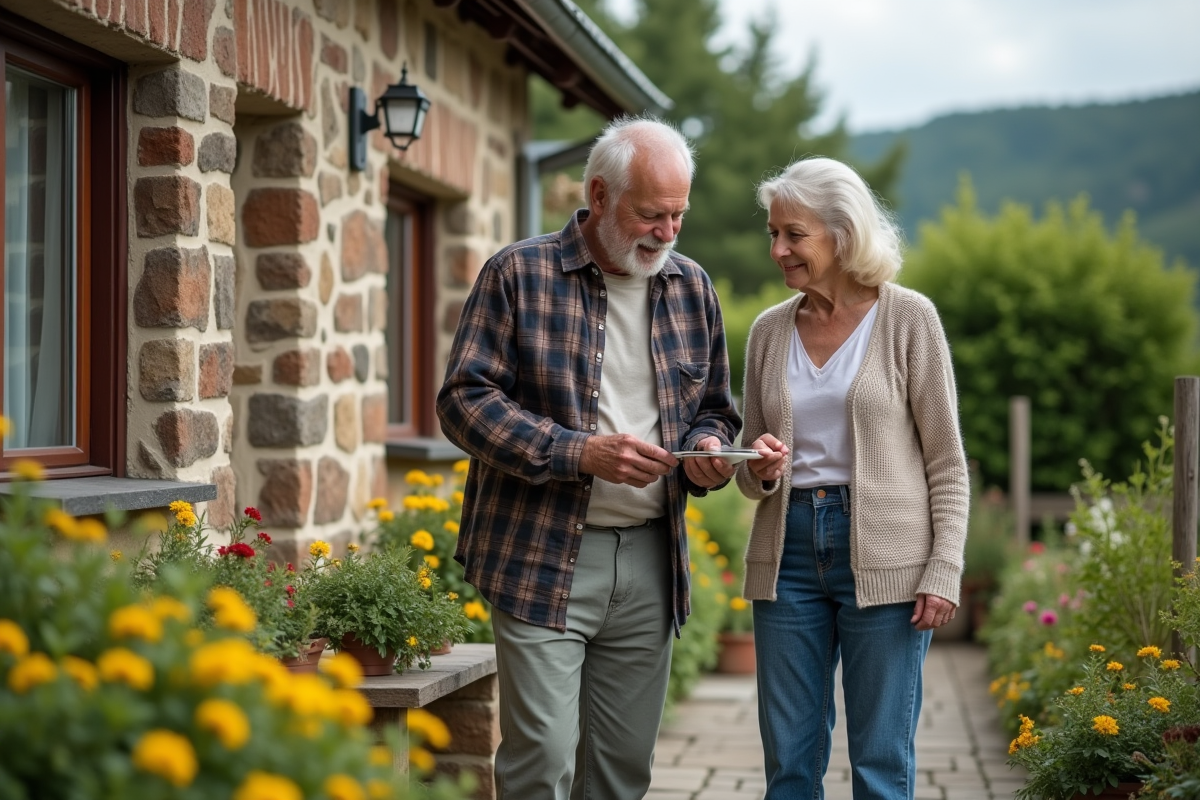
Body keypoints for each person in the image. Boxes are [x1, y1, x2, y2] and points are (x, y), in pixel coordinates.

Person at [436, 116, 742, 800]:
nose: (666, 233)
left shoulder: (693, 288)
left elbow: (714, 410)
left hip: (649, 558)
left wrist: (709, 451)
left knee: (621, 773)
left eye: (678, 216)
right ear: (600, 197)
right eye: (649, 215)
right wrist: (579, 453)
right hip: (537, 551)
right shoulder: (518, 272)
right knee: (541, 763)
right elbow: (462, 401)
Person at [735, 156, 970, 799]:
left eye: (794, 234)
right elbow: (747, 464)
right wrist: (756, 465)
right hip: (787, 550)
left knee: (880, 762)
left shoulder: (909, 319)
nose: (778, 249)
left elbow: (946, 461)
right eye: (773, 234)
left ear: (842, 234)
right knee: (788, 760)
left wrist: (943, 566)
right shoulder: (767, 331)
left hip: (890, 553)